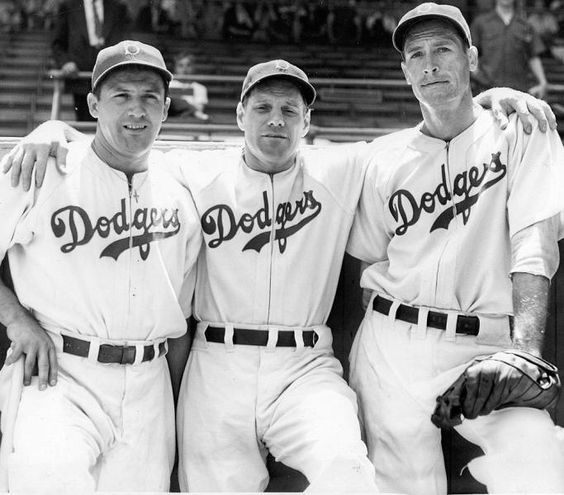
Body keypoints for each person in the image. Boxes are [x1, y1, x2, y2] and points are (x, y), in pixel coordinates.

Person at [2, 59, 556, 493]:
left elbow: (432, 132)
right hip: (217, 364)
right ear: (239, 115)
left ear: (308, 123)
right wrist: (55, 130)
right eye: (262, 106)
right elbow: (117, 150)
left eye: (290, 110)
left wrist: (489, 99)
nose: (276, 120)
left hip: (304, 363)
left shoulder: (344, 167)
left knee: (348, 470)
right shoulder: (187, 170)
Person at [347, 3, 564, 494]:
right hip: (391, 342)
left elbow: (534, 243)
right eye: (416, 54)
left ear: (470, 58)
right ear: (404, 72)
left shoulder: (522, 131)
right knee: (405, 487)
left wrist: (525, 352)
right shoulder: (382, 157)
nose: (430, 64)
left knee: (537, 461)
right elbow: (371, 255)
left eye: (443, 50)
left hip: (484, 341)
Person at [0, 40, 202, 493]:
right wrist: (16, 321)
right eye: (121, 95)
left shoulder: (180, 191)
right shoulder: (44, 170)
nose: (137, 110)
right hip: (62, 374)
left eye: (150, 97)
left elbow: (181, 321)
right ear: (92, 103)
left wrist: (174, 403)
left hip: (150, 387)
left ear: (167, 108)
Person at [52, 0, 131, 121]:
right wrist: (66, 62)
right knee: (85, 126)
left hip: (112, 78)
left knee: (112, 125)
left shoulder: (118, 7)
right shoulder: (68, 6)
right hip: (80, 77)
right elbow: (58, 43)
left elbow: (126, 41)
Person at [471, 0, 548, 98]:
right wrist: (477, 74)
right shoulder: (481, 23)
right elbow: (470, 53)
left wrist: (543, 82)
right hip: (487, 91)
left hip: (518, 92)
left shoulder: (525, 25)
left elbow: (533, 56)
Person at [168, 51, 209, 121]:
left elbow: (199, 110)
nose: (185, 69)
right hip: (171, 119)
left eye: (188, 65)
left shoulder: (200, 88)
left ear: (193, 67)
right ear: (175, 68)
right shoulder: (168, 84)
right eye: (180, 65)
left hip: (190, 120)